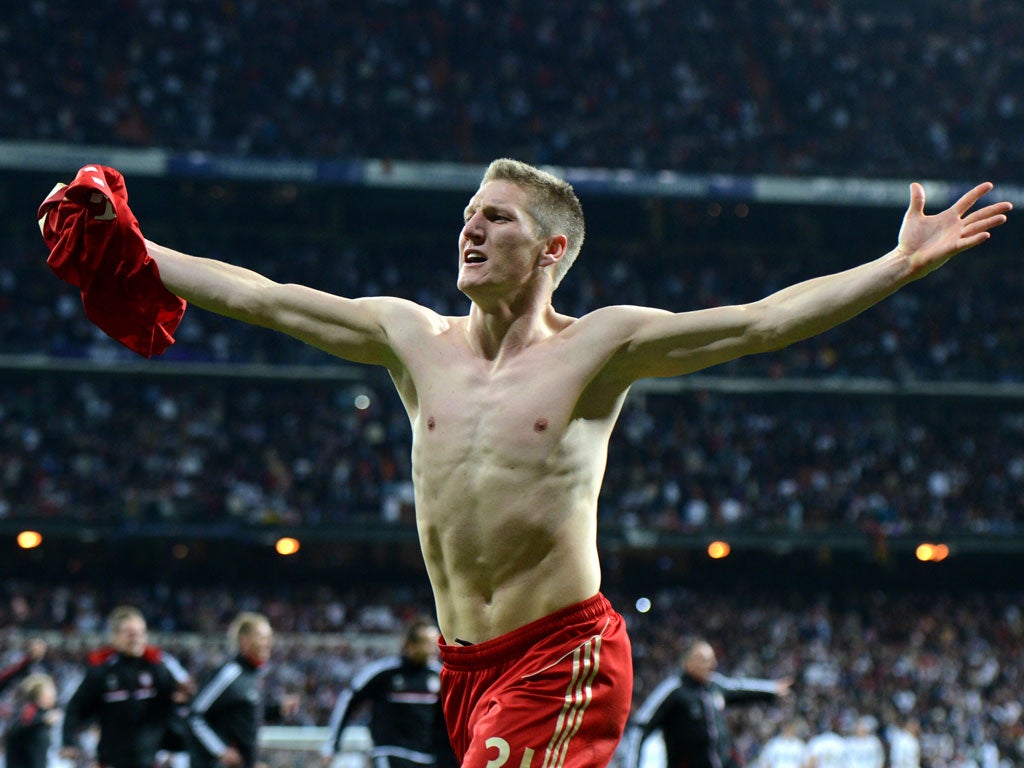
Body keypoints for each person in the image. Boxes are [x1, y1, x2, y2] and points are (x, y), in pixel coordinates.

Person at [46, 159, 1011, 768]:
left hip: (565, 655)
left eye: (496, 217)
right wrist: (133, 244)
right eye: (468, 211)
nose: (469, 226)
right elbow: (263, 297)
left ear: (551, 248)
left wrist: (894, 267)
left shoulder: (601, 346)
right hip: (466, 669)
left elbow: (759, 322)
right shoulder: (409, 339)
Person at [621, 637, 793, 768]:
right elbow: (640, 726)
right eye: (706, 660)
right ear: (688, 663)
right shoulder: (673, 690)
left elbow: (741, 689)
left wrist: (772, 690)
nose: (713, 664)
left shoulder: (714, 685)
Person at [61, 605, 186, 768]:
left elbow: (174, 706)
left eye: (142, 633)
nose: (137, 639)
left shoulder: (158, 668)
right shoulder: (101, 671)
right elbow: (75, 707)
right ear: (115, 636)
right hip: (112, 761)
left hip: (149, 760)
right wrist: (68, 741)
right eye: (131, 634)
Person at [321, 617, 455, 768]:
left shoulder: (439, 676)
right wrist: (332, 746)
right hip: (389, 753)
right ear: (410, 645)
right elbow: (348, 700)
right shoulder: (383, 673)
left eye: (435, 642)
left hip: (425, 758)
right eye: (427, 643)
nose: (433, 648)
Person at [186, 611, 295, 768]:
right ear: (244, 641)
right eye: (263, 637)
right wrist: (221, 751)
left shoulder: (253, 676)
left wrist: (277, 709)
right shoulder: (230, 673)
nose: (268, 643)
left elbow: (243, 719)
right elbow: (195, 715)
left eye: (270, 638)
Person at [5, 673, 61, 768]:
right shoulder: (31, 713)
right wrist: (43, 722)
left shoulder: (37, 714)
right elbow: (18, 731)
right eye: (51, 690)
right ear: (41, 695)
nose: (54, 694)